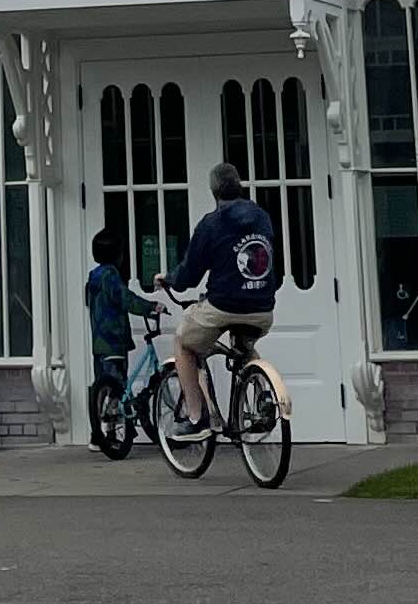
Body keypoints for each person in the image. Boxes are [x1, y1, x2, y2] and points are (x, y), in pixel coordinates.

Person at [162, 161, 280, 429]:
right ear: (240, 186)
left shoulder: (211, 224)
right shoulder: (262, 217)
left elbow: (188, 276)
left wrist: (168, 279)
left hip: (224, 305)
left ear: (213, 192)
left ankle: (196, 417)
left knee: (183, 343)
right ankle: (263, 396)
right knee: (245, 347)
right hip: (262, 307)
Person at [85, 224, 148, 427]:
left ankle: (100, 433)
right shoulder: (111, 275)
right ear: (118, 255)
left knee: (102, 386)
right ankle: (111, 430)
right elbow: (126, 299)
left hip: (98, 341)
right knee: (118, 386)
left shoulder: (93, 276)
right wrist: (151, 307)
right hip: (114, 339)